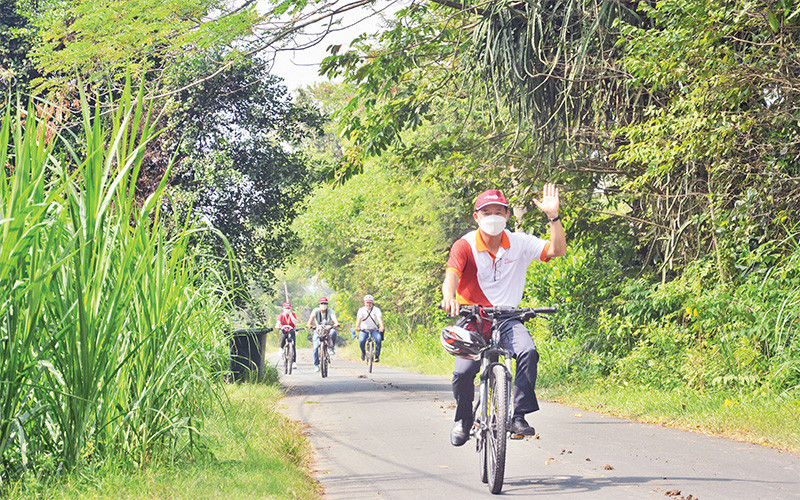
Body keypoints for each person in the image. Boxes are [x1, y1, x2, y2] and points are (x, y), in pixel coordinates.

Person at [441, 185, 566, 447]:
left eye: (499, 211)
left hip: (509, 317)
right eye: (487, 212)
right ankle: (463, 419)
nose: (493, 216)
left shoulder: (519, 243)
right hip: (473, 317)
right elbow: (452, 274)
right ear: (477, 216)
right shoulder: (464, 245)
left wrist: (553, 217)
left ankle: (517, 416)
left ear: (508, 215)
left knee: (528, 352)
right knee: (464, 372)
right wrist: (449, 297)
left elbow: (557, 250)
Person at [306, 297, 340, 372]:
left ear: (327, 305)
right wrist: (309, 325)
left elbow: (334, 318)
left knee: (333, 332)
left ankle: (331, 348)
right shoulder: (316, 311)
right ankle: (316, 365)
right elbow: (310, 320)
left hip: (328, 330)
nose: (323, 305)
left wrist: (336, 323)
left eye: (325, 303)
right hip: (318, 330)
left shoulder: (330, 311)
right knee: (315, 348)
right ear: (319, 305)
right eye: (322, 303)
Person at [355, 294, 385, 362]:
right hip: (364, 330)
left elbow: (379, 318)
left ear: (372, 303)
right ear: (364, 303)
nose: (368, 304)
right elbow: (359, 319)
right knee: (361, 341)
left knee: (378, 339)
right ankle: (363, 352)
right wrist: (357, 326)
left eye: (370, 302)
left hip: (374, 329)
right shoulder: (361, 310)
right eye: (367, 302)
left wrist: (382, 326)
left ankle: (377, 356)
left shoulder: (376, 310)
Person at [275, 302, 298, 369]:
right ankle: (281, 348)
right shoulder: (281, 315)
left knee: (293, 345)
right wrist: (277, 326)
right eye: (286, 308)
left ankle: (294, 362)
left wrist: (291, 315)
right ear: (283, 309)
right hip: (284, 330)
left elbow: (295, 322)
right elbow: (278, 323)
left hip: (291, 330)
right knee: (283, 337)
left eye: (289, 308)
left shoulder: (293, 314)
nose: (287, 309)